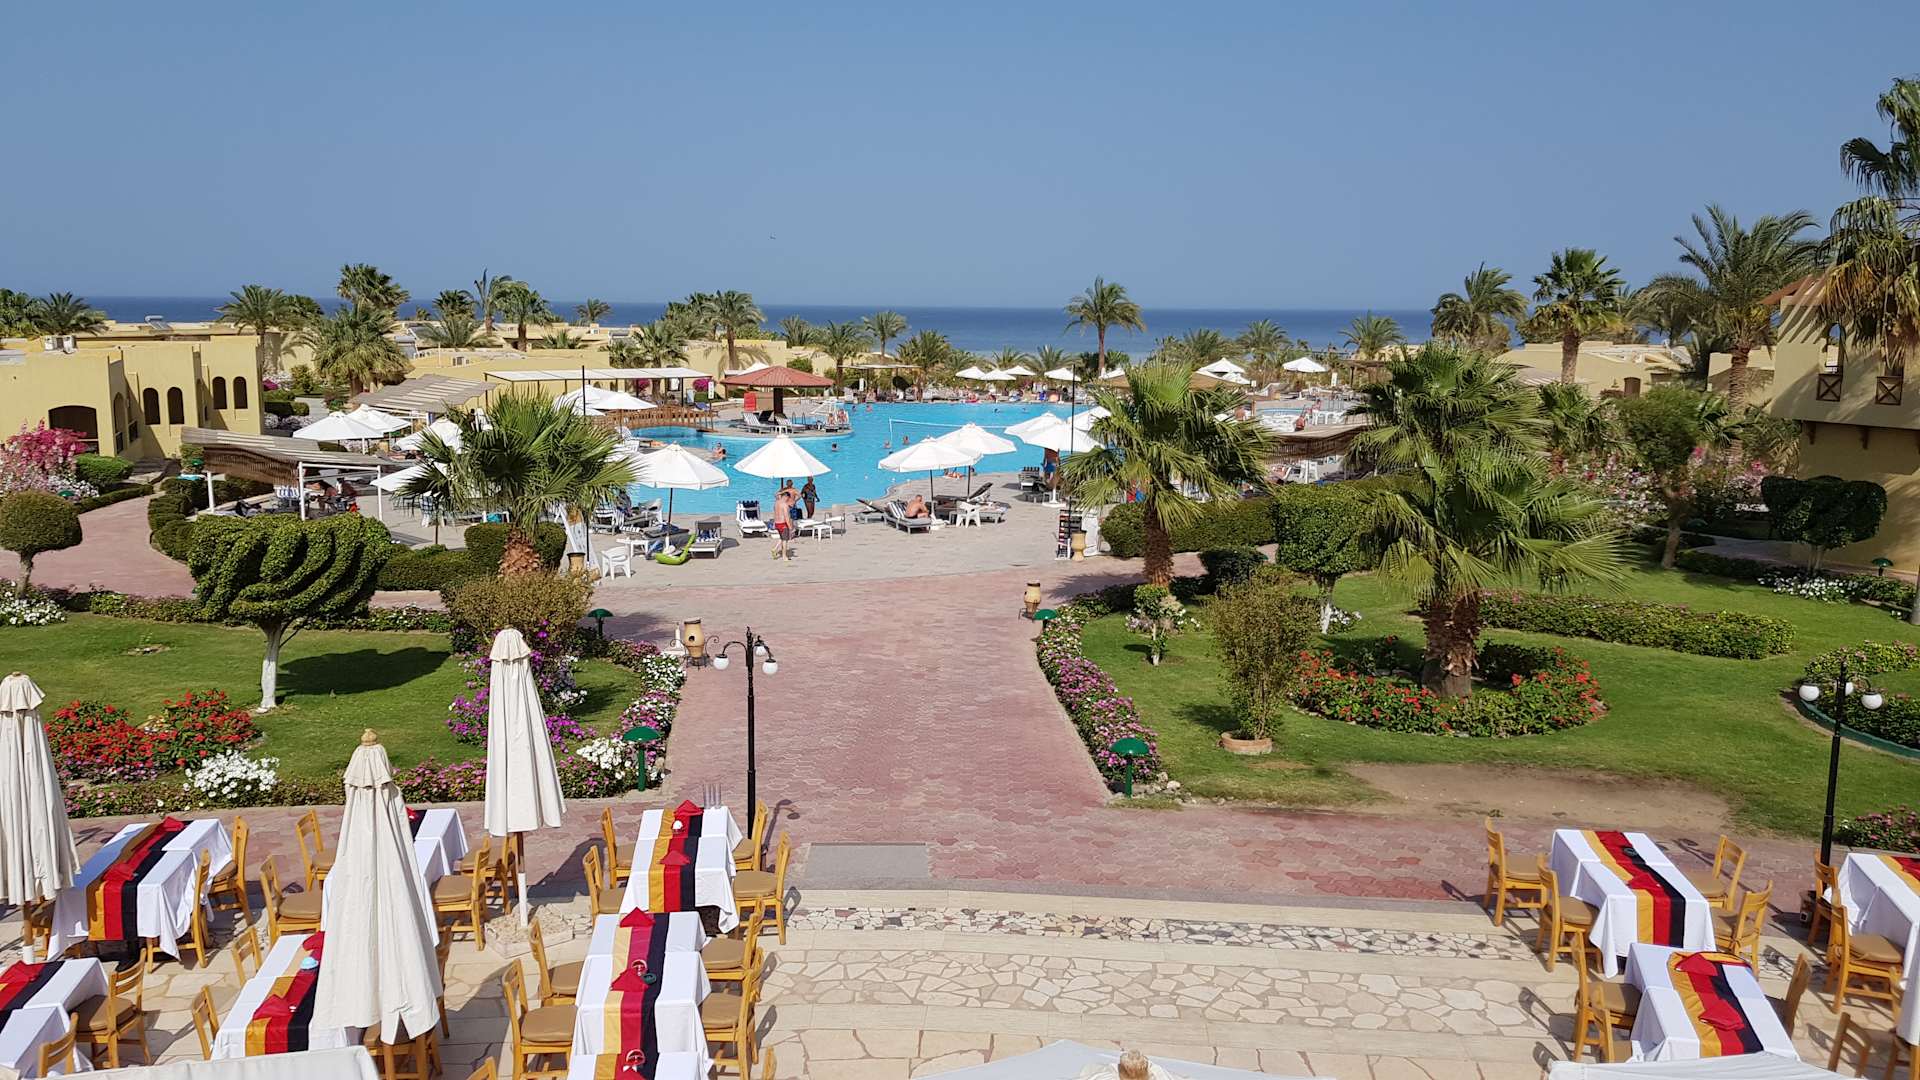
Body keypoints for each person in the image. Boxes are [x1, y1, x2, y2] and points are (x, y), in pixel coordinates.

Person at [770, 488, 792, 560]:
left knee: (782, 538)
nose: (788, 500)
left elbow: (775, 514)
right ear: (786, 497)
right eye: (788, 498)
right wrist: (790, 527)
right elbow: (786, 517)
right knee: (785, 540)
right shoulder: (785, 505)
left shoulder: (776, 503)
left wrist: (774, 523)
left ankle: (774, 549)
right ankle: (784, 556)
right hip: (783, 524)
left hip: (777, 523)